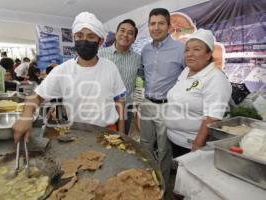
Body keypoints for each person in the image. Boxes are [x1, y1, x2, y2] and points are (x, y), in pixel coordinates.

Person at [13, 11, 126, 143]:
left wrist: (122, 133)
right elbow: (36, 95)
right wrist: (26, 116)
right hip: (77, 133)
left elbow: (120, 101)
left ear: (100, 41)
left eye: (90, 36)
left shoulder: (110, 68)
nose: (84, 40)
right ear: (74, 39)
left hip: (109, 132)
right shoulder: (63, 70)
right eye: (79, 36)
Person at [165, 29, 232, 156]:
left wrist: (196, 147)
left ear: (208, 54)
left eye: (196, 49)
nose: (189, 54)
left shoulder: (216, 78)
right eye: (187, 49)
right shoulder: (186, 71)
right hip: (174, 140)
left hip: (190, 144)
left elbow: (212, 117)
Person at [140, 8, 185, 185]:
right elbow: (143, 76)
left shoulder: (181, 49)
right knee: (144, 144)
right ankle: (144, 179)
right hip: (146, 104)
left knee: (165, 149)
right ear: (149, 26)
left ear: (169, 26)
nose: (156, 27)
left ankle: (162, 185)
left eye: (160, 23)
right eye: (152, 23)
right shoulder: (145, 50)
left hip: (167, 107)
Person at [98, 19, 141, 135]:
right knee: (102, 139)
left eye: (130, 33)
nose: (125, 35)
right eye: (122, 31)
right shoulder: (101, 54)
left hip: (127, 109)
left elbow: (139, 85)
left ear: (134, 39)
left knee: (122, 140)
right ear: (116, 34)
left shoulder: (138, 59)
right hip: (104, 108)